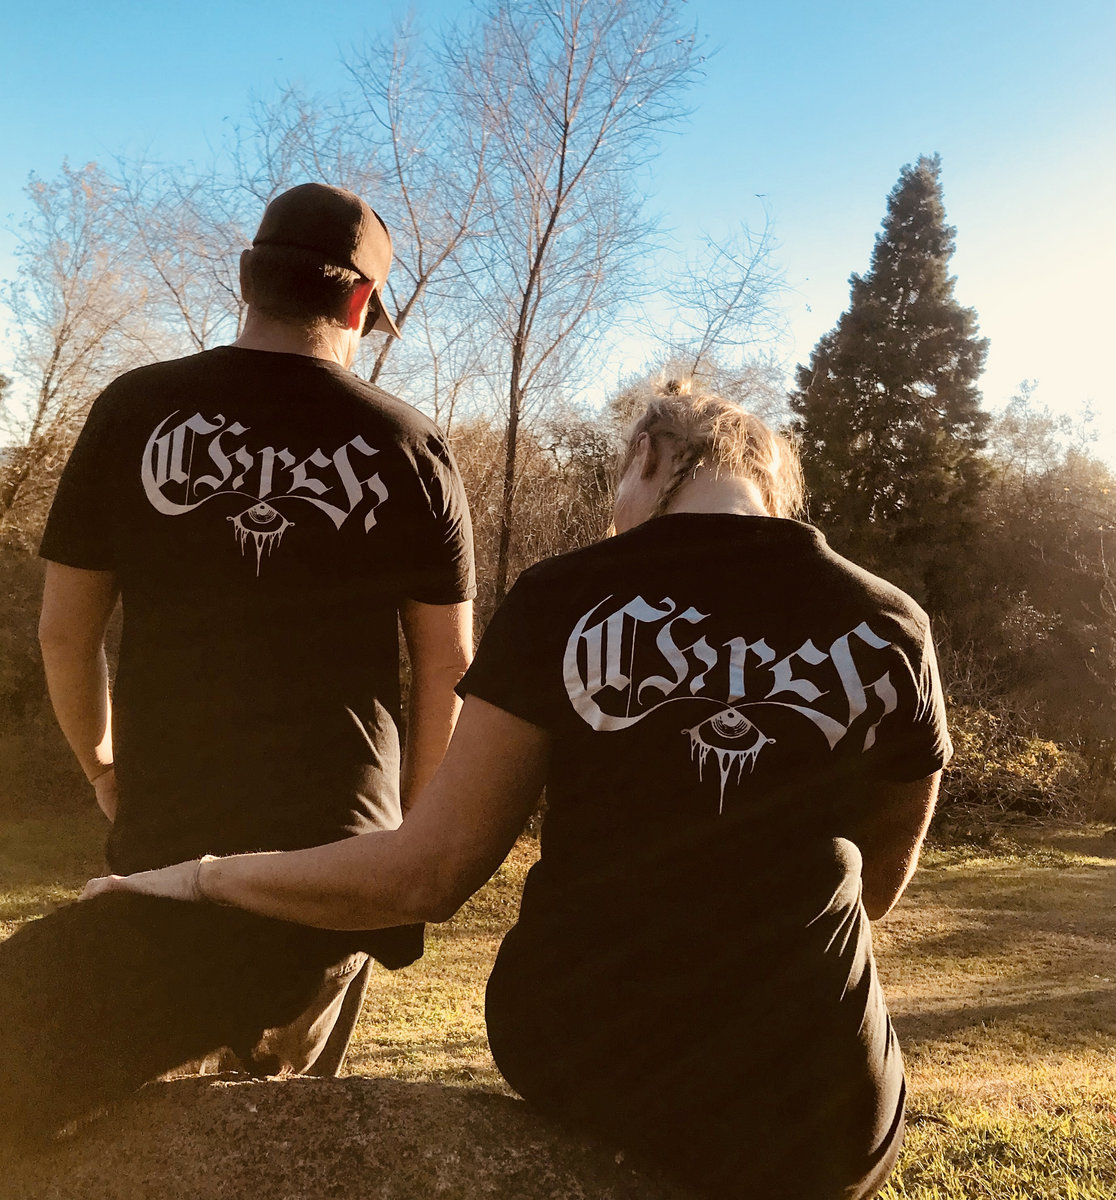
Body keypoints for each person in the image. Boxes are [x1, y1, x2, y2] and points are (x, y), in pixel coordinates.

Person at [83, 381, 949, 1199]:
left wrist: (200, 877)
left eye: (619, 483)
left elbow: (427, 875)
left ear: (648, 455)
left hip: (595, 1056)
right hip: (825, 1100)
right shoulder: (889, 622)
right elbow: (877, 884)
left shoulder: (565, 597)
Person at [0, 183, 475, 1142]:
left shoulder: (133, 409)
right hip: (337, 852)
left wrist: (104, 768)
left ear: (247, 278)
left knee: (126, 1124)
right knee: (287, 1132)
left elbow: (65, 633)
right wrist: (410, 841)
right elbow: (449, 664)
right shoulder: (410, 442)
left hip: (171, 825)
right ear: (360, 304)